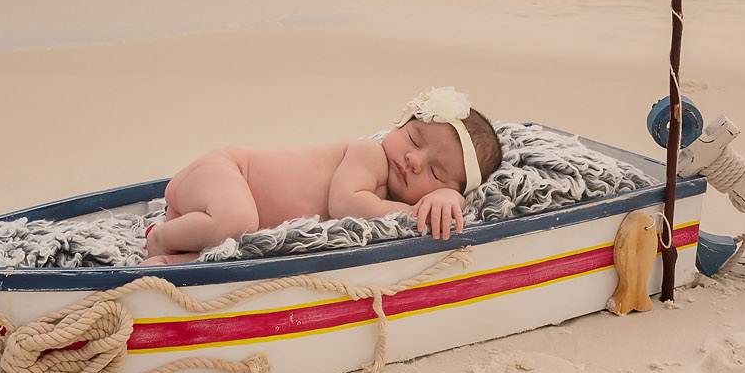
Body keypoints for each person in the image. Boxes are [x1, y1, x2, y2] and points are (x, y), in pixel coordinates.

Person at [141, 87, 503, 264]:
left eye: (436, 171)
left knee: (237, 247)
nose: (413, 160)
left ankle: (174, 258)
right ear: (399, 123)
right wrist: (413, 212)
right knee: (237, 219)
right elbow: (345, 204)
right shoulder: (369, 154)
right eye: (413, 138)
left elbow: (455, 200)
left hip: (217, 212)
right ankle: (160, 239)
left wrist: (449, 199)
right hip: (226, 172)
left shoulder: (392, 187)